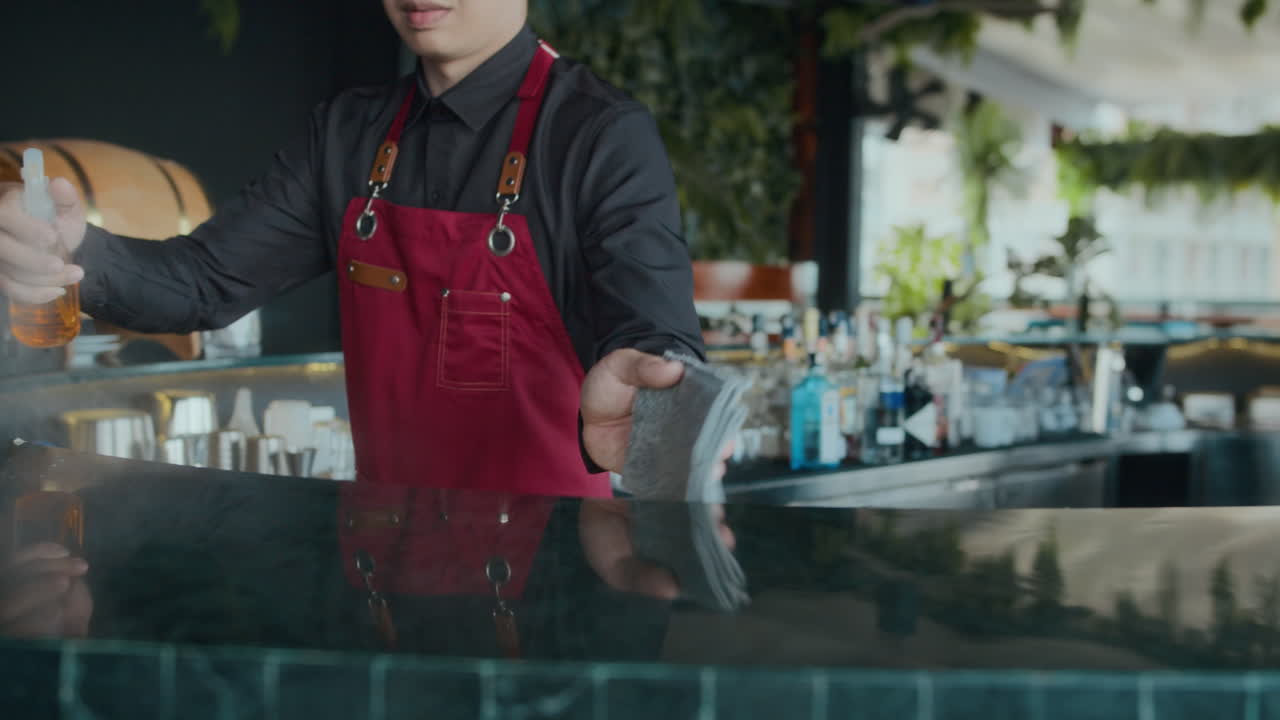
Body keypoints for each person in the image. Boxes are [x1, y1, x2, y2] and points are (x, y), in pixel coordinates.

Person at [0, 0, 703, 498]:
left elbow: (656, 334)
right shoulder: (346, 132)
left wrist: (660, 387)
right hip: (381, 563)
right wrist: (72, 250)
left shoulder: (599, 133)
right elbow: (202, 283)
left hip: (552, 570)